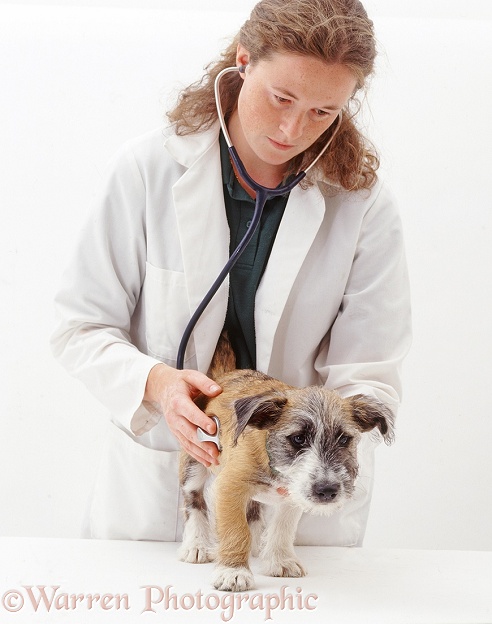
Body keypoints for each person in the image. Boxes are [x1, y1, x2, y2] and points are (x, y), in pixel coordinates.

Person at [51, 0, 411, 545]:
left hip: (294, 502)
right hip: (161, 499)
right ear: (244, 60)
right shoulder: (147, 170)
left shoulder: (362, 206)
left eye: (323, 112)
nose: (293, 129)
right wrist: (157, 384)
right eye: (281, 97)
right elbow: (79, 327)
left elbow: (368, 373)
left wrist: (313, 460)